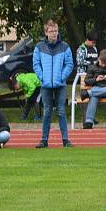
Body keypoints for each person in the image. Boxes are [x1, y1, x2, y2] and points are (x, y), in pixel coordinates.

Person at [33, 19, 74, 148]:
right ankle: (44, 140)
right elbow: (36, 64)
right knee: (46, 112)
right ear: (46, 32)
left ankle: (65, 140)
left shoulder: (65, 46)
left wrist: (62, 77)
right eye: (51, 31)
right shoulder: (39, 47)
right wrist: (42, 77)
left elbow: (69, 64)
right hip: (45, 85)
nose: (54, 33)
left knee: (61, 111)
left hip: (60, 84)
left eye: (56, 31)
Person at [81, 48, 106, 129]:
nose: (103, 65)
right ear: (99, 58)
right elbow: (86, 81)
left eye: (105, 63)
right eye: (102, 62)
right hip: (97, 88)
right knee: (94, 97)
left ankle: (88, 93)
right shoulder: (92, 67)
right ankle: (89, 121)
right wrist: (96, 79)